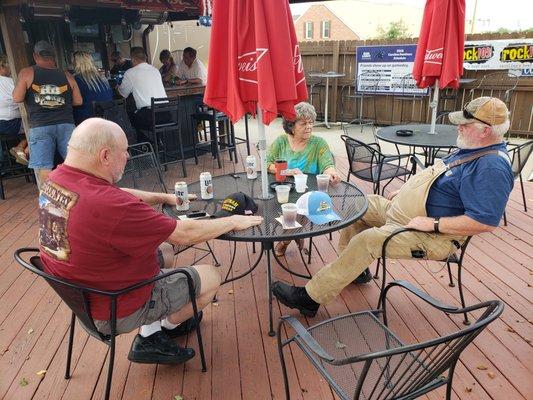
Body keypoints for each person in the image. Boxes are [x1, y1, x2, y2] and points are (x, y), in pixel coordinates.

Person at [38, 118, 263, 364]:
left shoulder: (57, 178)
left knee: (163, 249)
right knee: (211, 276)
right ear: (105, 156)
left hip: (84, 293)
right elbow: (182, 234)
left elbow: (118, 193)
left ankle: (153, 330)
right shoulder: (109, 206)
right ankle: (158, 329)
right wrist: (233, 221)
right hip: (115, 304)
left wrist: (162, 197)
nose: (126, 156)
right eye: (124, 152)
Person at [272, 97, 514, 317]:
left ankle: (311, 297)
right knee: (358, 205)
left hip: (432, 235)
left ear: (486, 131)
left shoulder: (491, 167)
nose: (458, 127)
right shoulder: (473, 148)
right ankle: (354, 269)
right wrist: (407, 190)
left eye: (465, 124)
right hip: (405, 213)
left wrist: (434, 224)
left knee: (367, 240)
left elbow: (484, 222)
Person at [266, 101, 341, 257]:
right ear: (291, 126)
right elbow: (267, 163)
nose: (309, 127)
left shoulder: (318, 143)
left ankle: (285, 241)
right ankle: (297, 234)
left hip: (308, 191)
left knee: (301, 209)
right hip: (282, 189)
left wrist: (332, 173)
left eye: (311, 122)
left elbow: (327, 163)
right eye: (303, 123)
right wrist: (286, 171)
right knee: (270, 206)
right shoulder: (280, 142)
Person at [12, 40, 83, 187]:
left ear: (35, 55)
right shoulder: (67, 75)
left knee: (44, 167)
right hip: (66, 124)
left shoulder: (27, 72)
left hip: (40, 125)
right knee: (75, 165)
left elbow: (17, 98)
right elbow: (78, 101)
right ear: (53, 56)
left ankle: (50, 201)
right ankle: (78, 195)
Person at [117, 46, 167, 132]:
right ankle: (156, 142)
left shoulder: (130, 73)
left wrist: (117, 88)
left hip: (150, 116)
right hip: (166, 113)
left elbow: (123, 94)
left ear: (132, 59)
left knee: (127, 119)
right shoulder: (155, 70)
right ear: (145, 58)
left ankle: (146, 144)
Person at [0, 55, 28, 165]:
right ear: (3, 67)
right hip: (11, 124)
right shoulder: (11, 82)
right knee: (37, 125)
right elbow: (20, 100)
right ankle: (20, 147)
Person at [72, 51, 113, 125]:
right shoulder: (102, 77)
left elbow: (77, 101)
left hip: (88, 119)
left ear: (75, 63)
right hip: (108, 116)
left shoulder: (77, 79)